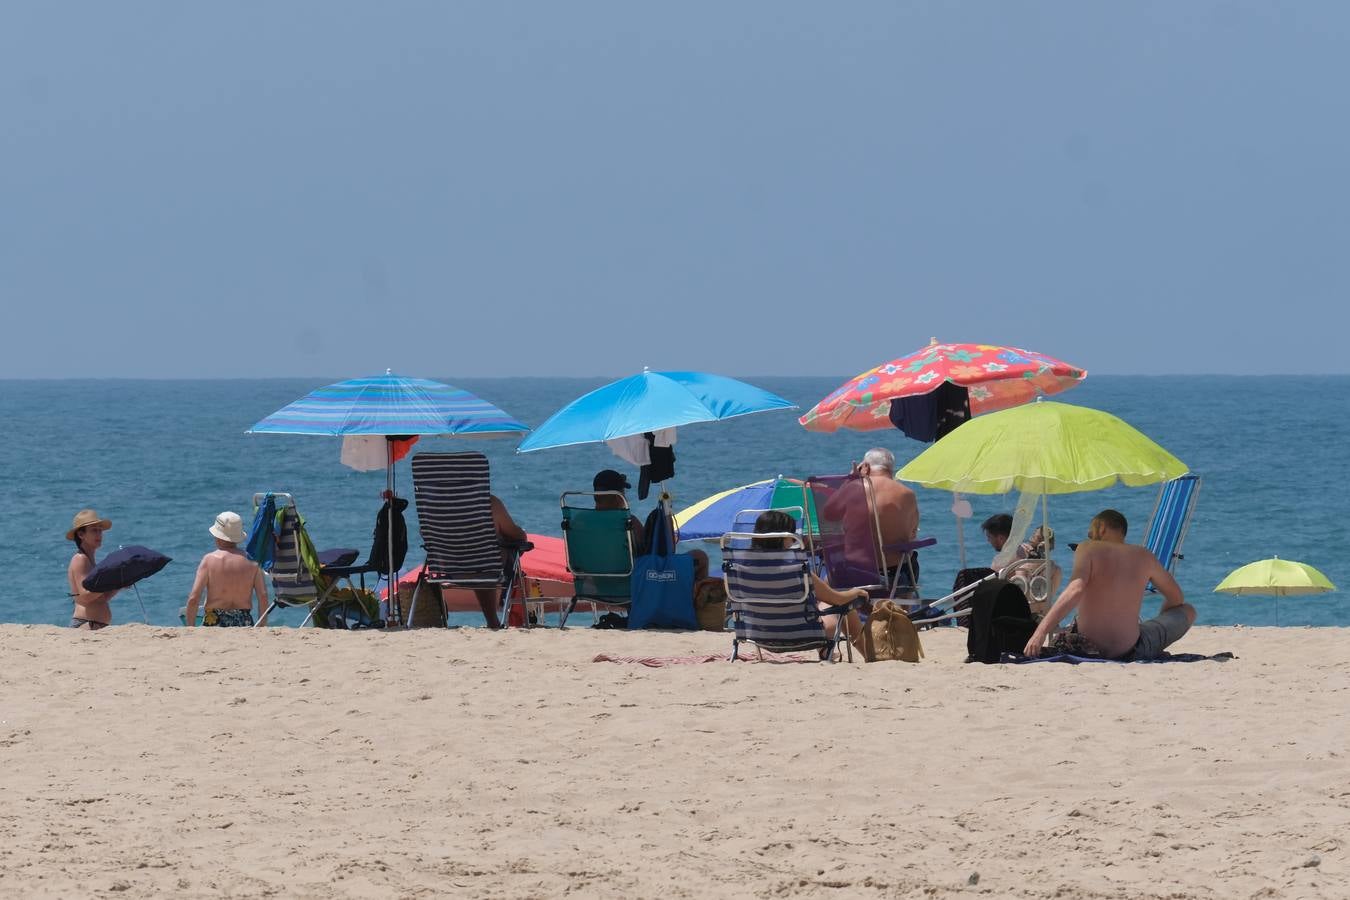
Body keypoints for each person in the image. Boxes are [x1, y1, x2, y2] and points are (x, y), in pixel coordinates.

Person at [1023, 509, 1195, 661]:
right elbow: (1176, 597)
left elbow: (1075, 589)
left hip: (1089, 646)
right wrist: (1158, 618)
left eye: (1091, 533)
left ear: (1102, 528)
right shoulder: (1145, 556)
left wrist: (1040, 632)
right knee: (1188, 610)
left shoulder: (1087, 548)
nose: (1089, 537)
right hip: (1132, 650)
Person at [752, 510, 869, 652]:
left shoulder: (740, 568)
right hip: (803, 637)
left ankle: (826, 652)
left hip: (761, 637)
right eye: (792, 535)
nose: (794, 540)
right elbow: (838, 599)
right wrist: (854, 593)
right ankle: (869, 654)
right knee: (845, 605)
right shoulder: (796, 568)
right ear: (782, 537)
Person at [822, 447, 921, 590]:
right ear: (890, 468)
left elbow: (829, 513)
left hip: (856, 573)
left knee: (827, 591)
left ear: (866, 467)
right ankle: (900, 611)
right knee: (910, 561)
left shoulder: (854, 488)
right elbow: (913, 533)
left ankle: (832, 610)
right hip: (897, 577)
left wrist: (850, 479)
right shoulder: (908, 494)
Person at [593, 469, 708, 581]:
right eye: (623, 492)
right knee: (700, 557)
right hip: (637, 582)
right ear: (618, 497)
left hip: (595, 583)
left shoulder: (580, 522)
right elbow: (650, 553)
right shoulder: (629, 522)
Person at [185, 512, 270, 627]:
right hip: (244, 622)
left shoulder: (209, 560)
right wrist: (261, 626)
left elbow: (194, 598)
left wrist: (190, 627)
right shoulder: (252, 561)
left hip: (214, 621)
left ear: (218, 536)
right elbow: (263, 596)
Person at [472, 494, 529, 629]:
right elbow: (517, 535)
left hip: (446, 567)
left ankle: (492, 619)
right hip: (484, 566)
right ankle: (496, 617)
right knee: (486, 558)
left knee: (478, 558)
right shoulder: (487, 502)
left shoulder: (432, 503)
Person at [67, 509, 119, 630]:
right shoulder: (80, 559)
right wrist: (110, 582)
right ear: (81, 535)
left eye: (100, 530)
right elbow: (85, 596)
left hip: (94, 625)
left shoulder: (90, 560)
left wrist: (119, 585)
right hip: (85, 624)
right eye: (94, 530)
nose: (99, 534)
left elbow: (101, 598)